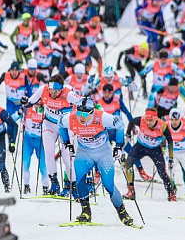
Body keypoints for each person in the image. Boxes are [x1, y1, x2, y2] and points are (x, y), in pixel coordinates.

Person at [58, 97, 136, 227]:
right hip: (84, 152)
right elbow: (60, 124)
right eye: (79, 113)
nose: (81, 117)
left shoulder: (101, 117)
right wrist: (67, 143)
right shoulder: (71, 118)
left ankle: (122, 212)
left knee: (108, 184)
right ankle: (85, 211)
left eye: (84, 114)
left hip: (103, 152)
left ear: (92, 112)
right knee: (79, 180)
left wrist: (118, 146)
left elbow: (120, 125)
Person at [123, 108, 177, 201]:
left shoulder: (162, 125)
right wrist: (128, 133)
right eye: (147, 119)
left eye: (150, 120)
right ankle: (131, 191)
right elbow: (131, 122)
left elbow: (170, 141)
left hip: (155, 150)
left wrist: (171, 157)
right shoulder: (141, 120)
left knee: (162, 172)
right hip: (140, 147)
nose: (148, 122)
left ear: (156, 118)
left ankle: (171, 193)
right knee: (129, 162)